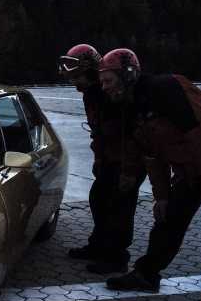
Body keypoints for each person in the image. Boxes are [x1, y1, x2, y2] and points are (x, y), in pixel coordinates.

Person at [99, 48, 201, 301]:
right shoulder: (131, 107)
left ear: (128, 74)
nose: (104, 87)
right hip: (191, 166)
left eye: (108, 80)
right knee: (169, 218)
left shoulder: (167, 89)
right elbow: (151, 155)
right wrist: (162, 196)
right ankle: (146, 275)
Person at [58, 44, 146, 274]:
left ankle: (117, 257)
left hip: (128, 159)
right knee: (99, 198)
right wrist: (100, 160)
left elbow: (130, 134)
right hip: (110, 157)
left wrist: (128, 170)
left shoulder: (111, 93)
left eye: (77, 75)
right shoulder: (92, 94)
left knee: (120, 207)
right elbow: (98, 132)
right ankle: (99, 245)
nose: (73, 81)